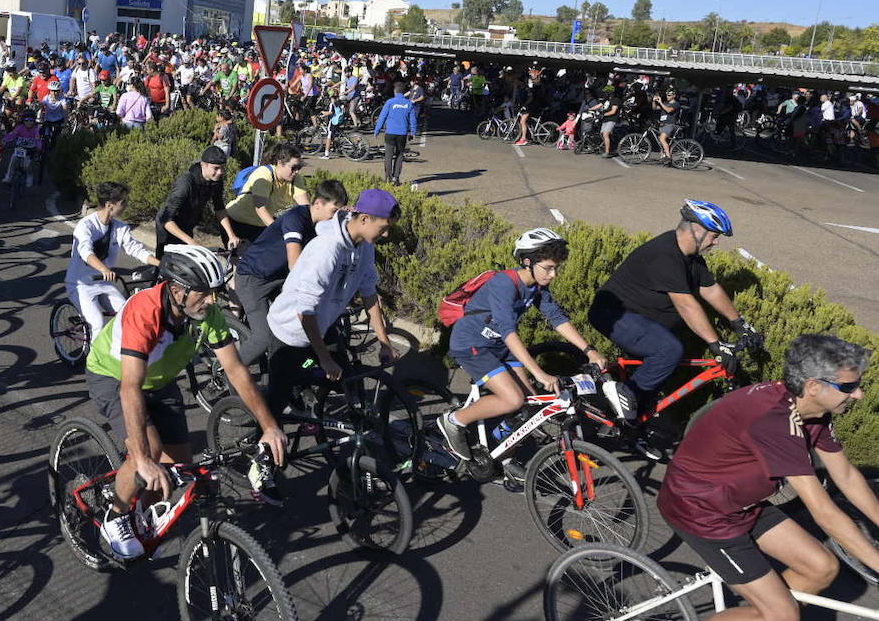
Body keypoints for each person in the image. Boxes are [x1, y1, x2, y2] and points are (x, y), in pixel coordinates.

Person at [638, 334, 879, 621]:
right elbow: (823, 511)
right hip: (704, 512)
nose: (859, 394)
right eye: (849, 386)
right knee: (783, 616)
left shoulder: (812, 412)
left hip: (743, 503)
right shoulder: (776, 423)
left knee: (821, 567)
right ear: (813, 386)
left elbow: (848, 478)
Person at [85, 245, 288, 554]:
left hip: (160, 380)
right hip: (113, 377)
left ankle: (144, 513)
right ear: (178, 291)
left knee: (179, 465)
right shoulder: (146, 311)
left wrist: (269, 426)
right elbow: (130, 389)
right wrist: (141, 460)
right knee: (149, 452)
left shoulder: (208, 314)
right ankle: (117, 514)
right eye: (204, 293)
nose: (212, 301)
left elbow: (236, 370)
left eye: (215, 293)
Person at [588, 200, 763, 457]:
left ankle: (631, 431)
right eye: (714, 236)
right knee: (668, 350)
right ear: (695, 229)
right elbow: (686, 304)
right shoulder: (665, 254)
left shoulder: (692, 258)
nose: (716, 242)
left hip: (645, 320)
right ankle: (625, 399)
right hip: (614, 315)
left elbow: (710, 289)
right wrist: (717, 344)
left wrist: (741, 324)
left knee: (658, 372)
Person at [436, 230, 609, 461]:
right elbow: (508, 331)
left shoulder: (537, 285)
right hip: (472, 343)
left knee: (529, 405)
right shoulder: (504, 284)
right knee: (513, 400)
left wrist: (589, 350)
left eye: (556, 268)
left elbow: (556, 318)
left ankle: (501, 455)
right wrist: (540, 373)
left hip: (498, 344)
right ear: (528, 262)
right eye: (548, 267)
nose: (553, 274)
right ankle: (453, 421)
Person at [261, 189, 399, 447]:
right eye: (384, 227)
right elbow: (305, 310)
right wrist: (323, 357)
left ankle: (307, 393)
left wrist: (384, 340)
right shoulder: (327, 249)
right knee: (276, 408)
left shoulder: (365, 246)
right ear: (365, 219)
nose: (386, 234)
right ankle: (263, 458)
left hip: (322, 326)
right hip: (290, 331)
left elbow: (369, 293)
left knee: (343, 378)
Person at [234, 179, 350, 373]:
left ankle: (293, 373)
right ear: (318, 203)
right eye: (334, 210)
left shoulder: (322, 226)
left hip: (278, 278)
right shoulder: (296, 218)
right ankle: (230, 371)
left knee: (301, 327)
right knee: (263, 337)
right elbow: (294, 263)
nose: (335, 216)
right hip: (253, 278)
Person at [65, 181, 160, 338]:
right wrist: (104, 269)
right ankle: (93, 362)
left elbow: (135, 249)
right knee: (97, 322)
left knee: (126, 314)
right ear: (110, 205)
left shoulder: (120, 227)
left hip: (104, 283)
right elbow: (85, 252)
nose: (126, 205)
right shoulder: (86, 226)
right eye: (123, 202)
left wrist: (161, 264)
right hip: (80, 284)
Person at [154, 146, 241, 257]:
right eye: (216, 168)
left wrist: (231, 235)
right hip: (169, 224)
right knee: (163, 261)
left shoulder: (216, 181)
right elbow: (165, 219)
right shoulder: (186, 183)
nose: (220, 172)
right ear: (203, 165)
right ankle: (153, 272)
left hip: (187, 223)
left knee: (185, 261)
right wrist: (191, 241)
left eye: (223, 168)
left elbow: (219, 209)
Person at [224, 142, 310, 244]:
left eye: (299, 168)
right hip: (236, 221)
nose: (296, 172)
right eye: (293, 167)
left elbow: (305, 207)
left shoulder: (295, 178)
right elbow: (260, 208)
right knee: (241, 257)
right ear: (279, 163)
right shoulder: (264, 174)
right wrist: (280, 233)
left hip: (260, 225)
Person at [373, 81, 417, 186]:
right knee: (399, 155)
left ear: (395, 91)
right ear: (403, 92)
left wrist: (377, 130)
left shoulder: (390, 102)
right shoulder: (409, 104)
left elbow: (382, 116)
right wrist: (413, 132)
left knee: (388, 155)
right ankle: (396, 178)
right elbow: (413, 119)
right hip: (402, 134)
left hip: (390, 133)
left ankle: (387, 178)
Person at [0, 109, 42, 186]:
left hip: (30, 150)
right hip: (20, 148)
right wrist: (4, 140)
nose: (29, 122)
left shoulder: (36, 130)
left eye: (31, 120)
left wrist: (39, 148)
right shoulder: (20, 128)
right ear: (23, 120)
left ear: (34, 121)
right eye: (26, 120)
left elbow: (38, 140)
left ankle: (29, 177)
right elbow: (12, 134)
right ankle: (8, 176)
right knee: (13, 160)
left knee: (27, 166)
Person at [654, 88, 682, 163]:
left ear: (674, 96)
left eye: (669, 95)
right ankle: (665, 157)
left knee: (662, 139)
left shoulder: (676, 104)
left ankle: (668, 157)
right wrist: (654, 101)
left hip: (669, 124)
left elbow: (669, 110)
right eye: (667, 95)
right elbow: (655, 108)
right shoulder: (665, 103)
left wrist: (661, 102)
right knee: (662, 142)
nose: (667, 96)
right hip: (662, 124)